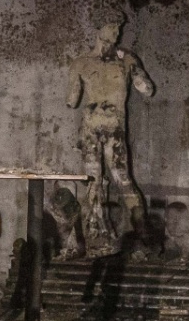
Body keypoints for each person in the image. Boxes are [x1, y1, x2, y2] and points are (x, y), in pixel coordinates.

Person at [66, 20, 155, 252]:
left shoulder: (126, 60)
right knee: (93, 181)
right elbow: (71, 100)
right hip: (91, 129)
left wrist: (132, 64)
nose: (116, 32)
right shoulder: (81, 62)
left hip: (114, 128)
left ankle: (144, 235)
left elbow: (147, 89)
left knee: (122, 179)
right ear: (98, 29)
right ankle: (96, 236)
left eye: (119, 27)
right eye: (111, 26)